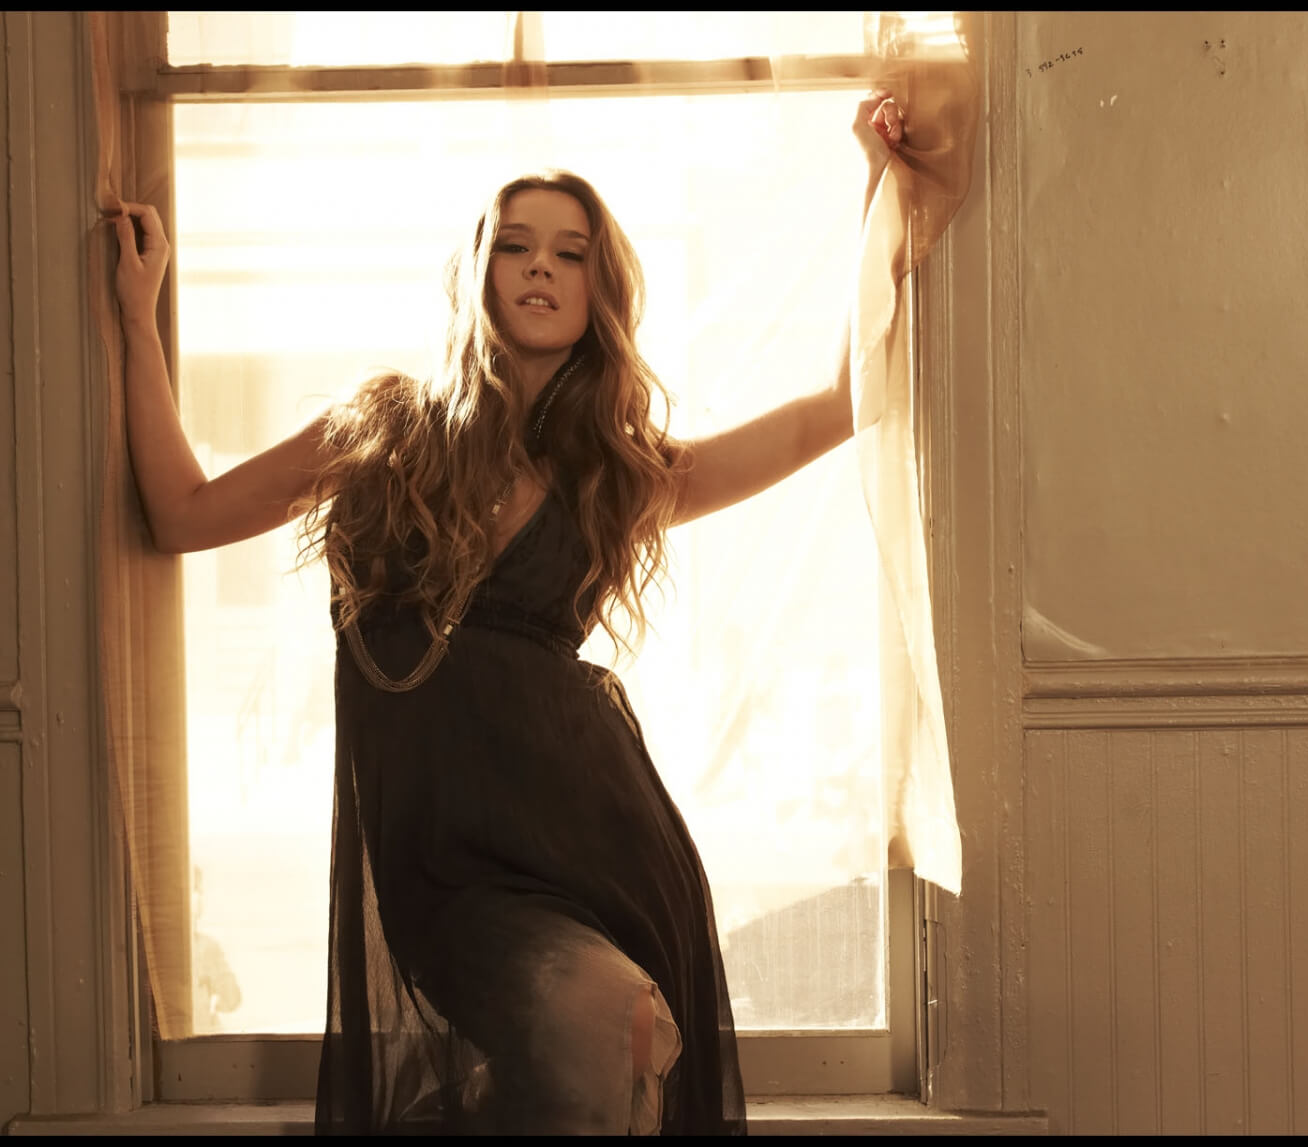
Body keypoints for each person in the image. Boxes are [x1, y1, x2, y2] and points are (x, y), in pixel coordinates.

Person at [108, 91, 910, 1135]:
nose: (541, 267)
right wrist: (138, 317)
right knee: (595, 1038)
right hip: (444, 864)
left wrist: (879, 183)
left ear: (597, 290)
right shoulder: (385, 429)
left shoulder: (616, 472)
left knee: (620, 1040)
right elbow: (181, 512)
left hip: (600, 844)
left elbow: (836, 407)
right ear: (480, 273)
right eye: (517, 246)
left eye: (571, 254)